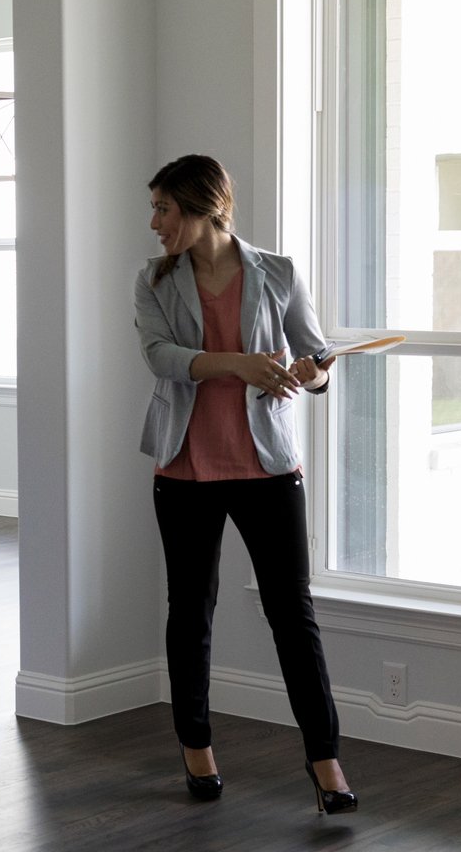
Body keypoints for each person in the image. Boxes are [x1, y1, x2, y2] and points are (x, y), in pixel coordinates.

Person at [133, 154, 358, 815]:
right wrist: (242, 365)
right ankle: (195, 746)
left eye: (164, 209)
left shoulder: (278, 273)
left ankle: (325, 760)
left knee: (293, 617)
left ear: (206, 208)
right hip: (184, 469)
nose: (154, 223)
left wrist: (307, 374)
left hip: (267, 467)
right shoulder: (153, 280)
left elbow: (316, 362)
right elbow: (159, 357)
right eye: (154, 209)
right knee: (190, 613)